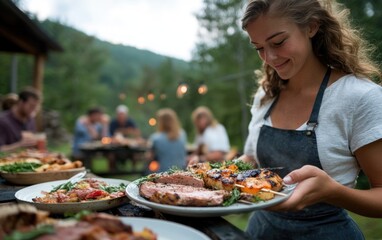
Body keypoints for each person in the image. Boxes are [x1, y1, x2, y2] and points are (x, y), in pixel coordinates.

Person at [238, 0, 382, 239]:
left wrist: (331, 192)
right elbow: (251, 160)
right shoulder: (266, 96)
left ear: (311, 27)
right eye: (259, 48)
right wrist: (219, 173)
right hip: (260, 232)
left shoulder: (359, 98)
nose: (270, 57)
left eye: (278, 42)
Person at [0, 88, 40, 152]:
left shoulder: (30, 120)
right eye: (31, 106)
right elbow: (1, 149)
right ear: (21, 102)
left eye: (36, 107)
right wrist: (20, 145)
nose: (34, 110)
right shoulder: (3, 121)